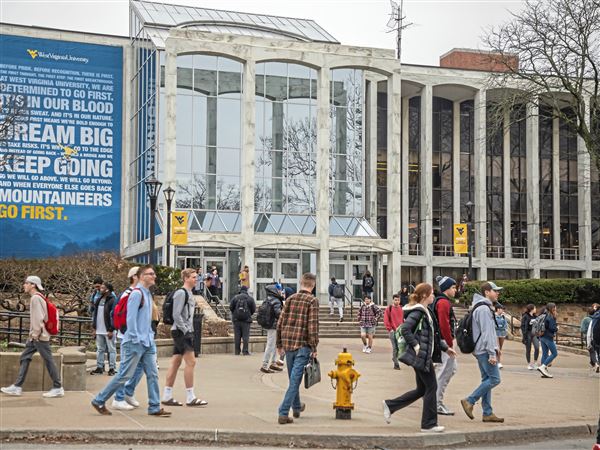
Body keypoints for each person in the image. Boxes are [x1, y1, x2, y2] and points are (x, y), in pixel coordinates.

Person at [91, 265, 171, 417]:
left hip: (147, 342)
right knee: (124, 375)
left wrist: (148, 338)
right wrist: (136, 338)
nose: (154, 276)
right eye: (150, 274)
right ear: (141, 277)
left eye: (154, 274)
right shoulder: (137, 294)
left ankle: (154, 406)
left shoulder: (147, 293)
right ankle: (99, 400)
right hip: (136, 342)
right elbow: (131, 319)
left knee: (152, 374)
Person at [382, 282, 456, 433]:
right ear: (424, 296)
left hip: (423, 355)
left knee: (422, 389)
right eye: (431, 294)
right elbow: (405, 329)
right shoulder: (419, 312)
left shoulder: (426, 310)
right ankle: (428, 424)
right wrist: (416, 346)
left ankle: (390, 405)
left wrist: (445, 348)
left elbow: (434, 335)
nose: (433, 296)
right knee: (431, 387)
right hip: (421, 356)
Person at [1, 276, 64, 398]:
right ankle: (17, 386)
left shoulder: (35, 298)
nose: (24, 285)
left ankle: (58, 387)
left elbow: (38, 318)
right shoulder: (39, 297)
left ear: (33, 285)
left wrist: (35, 335)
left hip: (39, 336)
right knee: (25, 357)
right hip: (37, 335)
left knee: (48, 360)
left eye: (26, 283)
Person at [276, 272, 319, 425]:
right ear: (313, 286)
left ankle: (296, 406)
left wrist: (279, 344)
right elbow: (312, 326)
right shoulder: (312, 301)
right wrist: (314, 347)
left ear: (301, 283)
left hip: (288, 343)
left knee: (293, 378)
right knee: (294, 380)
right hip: (302, 344)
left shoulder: (289, 299)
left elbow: (280, 323)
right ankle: (283, 412)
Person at [162, 268, 207, 407]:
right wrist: (186, 330)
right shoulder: (182, 293)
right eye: (193, 277)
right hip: (182, 332)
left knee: (175, 362)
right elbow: (176, 314)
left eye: (196, 277)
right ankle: (190, 397)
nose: (196, 279)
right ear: (186, 278)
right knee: (191, 362)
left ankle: (167, 395)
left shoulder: (187, 293)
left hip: (181, 331)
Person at [460, 282, 504, 423]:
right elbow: (487, 333)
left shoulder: (480, 306)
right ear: (486, 292)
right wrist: (492, 352)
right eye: (495, 291)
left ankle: (487, 412)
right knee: (495, 379)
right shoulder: (484, 309)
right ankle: (470, 400)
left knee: (487, 380)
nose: (498, 293)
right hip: (485, 350)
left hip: (480, 349)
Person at [112, 266, 144, 411]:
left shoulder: (137, 293)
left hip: (134, 335)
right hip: (128, 336)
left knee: (140, 366)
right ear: (135, 277)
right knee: (125, 367)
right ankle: (118, 398)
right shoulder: (129, 294)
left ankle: (127, 393)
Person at [432, 275, 458, 416]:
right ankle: (436, 402)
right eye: (453, 287)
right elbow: (444, 324)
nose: (455, 290)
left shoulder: (442, 301)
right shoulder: (443, 303)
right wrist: (449, 345)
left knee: (449, 370)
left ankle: (435, 400)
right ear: (446, 288)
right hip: (444, 342)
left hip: (443, 342)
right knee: (444, 371)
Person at [90, 282, 117, 376]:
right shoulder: (99, 300)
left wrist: (111, 329)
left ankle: (112, 368)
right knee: (100, 349)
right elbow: (95, 314)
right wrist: (94, 328)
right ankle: (99, 367)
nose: (100, 289)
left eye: (102, 288)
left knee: (111, 349)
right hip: (99, 329)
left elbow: (114, 315)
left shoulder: (113, 300)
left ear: (107, 290)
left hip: (108, 330)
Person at [260, 284, 284, 373]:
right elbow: (279, 314)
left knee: (273, 344)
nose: (280, 291)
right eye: (279, 290)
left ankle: (273, 363)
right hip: (274, 325)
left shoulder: (268, 299)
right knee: (271, 344)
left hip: (270, 324)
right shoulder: (276, 301)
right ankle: (265, 365)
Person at [229, 286, 256, 355]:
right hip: (246, 320)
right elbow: (253, 309)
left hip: (236, 320)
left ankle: (237, 351)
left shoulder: (235, 298)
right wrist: (249, 314)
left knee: (237, 336)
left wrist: (235, 314)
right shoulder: (250, 298)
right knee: (245, 336)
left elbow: (231, 307)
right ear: (246, 290)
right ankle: (245, 351)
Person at [538, 302, 559, 379]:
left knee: (544, 353)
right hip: (548, 337)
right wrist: (557, 328)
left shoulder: (544, 315)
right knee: (554, 353)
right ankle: (543, 367)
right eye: (555, 307)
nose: (556, 308)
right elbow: (552, 328)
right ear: (552, 308)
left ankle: (543, 372)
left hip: (542, 336)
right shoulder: (551, 316)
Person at [383, 293, 404, 370]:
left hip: (400, 332)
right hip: (393, 332)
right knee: (395, 348)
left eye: (398, 300)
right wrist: (390, 329)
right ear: (392, 300)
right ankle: (396, 364)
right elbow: (386, 320)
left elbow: (403, 320)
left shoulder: (402, 309)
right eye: (395, 300)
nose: (397, 301)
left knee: (400, 348)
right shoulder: (389, 308)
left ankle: (394, 358)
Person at [520, 304, 540, 370]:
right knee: (528, 349)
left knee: (537, 347)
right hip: (528, 333)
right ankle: (529, 364)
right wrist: (529, 323)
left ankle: (535, 362)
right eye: (535, 308)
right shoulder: (525, 316)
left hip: (534, 333)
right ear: (531, 309)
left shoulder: (535, 316)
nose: (535, 309)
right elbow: (522, 326)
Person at [582, 305, 600, 371]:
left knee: (591, 351)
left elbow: (583, 330)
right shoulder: (596, 318)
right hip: (596, 337)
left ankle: (595, 364)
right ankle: (594, 363)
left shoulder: (586, 319)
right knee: (596, 351)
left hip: (590, 337)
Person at [586, 306, 600, 374]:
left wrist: (588, 343)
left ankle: (596, 364)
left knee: (593, 352)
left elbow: (589, 332)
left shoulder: (593, 320)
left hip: (594, 339)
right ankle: (595, 364)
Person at [494, 304, 508, 369]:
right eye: (501, 309)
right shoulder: (494, 316)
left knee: (500, 348)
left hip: (502, 333)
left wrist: (502, 327)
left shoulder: (503, 316)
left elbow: (505, 325)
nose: (502, 310)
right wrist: (499, 326)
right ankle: (498, 362)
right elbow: (493, 324)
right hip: (496, 333)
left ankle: (497, 360)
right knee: (498, 348)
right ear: (498, 309)